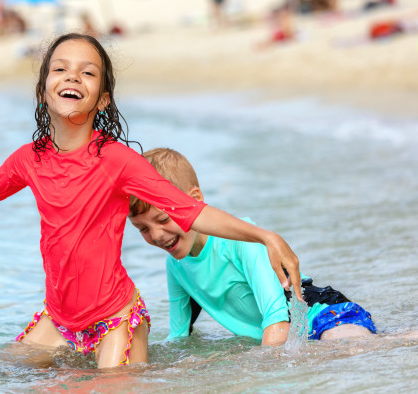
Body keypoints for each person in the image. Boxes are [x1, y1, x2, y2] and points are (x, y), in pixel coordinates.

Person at [0, 33, 302, 368]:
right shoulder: (28, 160)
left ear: (102, 99)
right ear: (43, 91)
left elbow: (191, 211)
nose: (72, 76)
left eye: (88, 71)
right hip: (58, 319)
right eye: (59, 68)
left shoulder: (117, 160)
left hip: (116, 318)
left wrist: (264, 235)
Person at [129, 148, 377, 346]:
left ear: (194, 201)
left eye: (163, 219)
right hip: (291, 335)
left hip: (322, 315)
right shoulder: (176, 266)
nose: (157, 235)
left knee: (348, 346)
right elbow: (179, 338)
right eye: (142, 229)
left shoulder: (239, 240)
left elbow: (277, 318)